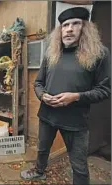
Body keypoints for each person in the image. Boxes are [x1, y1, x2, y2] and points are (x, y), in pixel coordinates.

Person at [20, 7, 111, 185]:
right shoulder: (51, 53)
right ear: (60, 30)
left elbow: (105, 90)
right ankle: (39, 171)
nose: (69, 29)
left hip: (76, 122)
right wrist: (42, 96)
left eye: (76, 24)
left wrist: (76, 96)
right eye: (65, 25)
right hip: (47, 115)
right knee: (42, 149)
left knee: (79, 165)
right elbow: (38, 83)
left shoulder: (99, 54)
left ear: (85, 27)